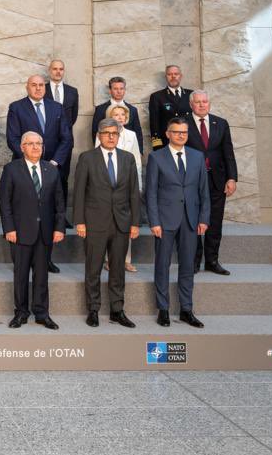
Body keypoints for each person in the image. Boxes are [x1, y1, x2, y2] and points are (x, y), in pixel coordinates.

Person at [74, 118, 141, 328]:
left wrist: (135, 223)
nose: (111, 137)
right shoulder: (87, 158)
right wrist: (79, 222)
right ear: (99, 136)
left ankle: (117, 310)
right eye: (107, 133)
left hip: (121, 222)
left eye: (114, 133)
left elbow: (133, 193)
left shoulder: (128, 158)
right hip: (94, 222)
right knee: (93, 268)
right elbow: (79, 193)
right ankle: (93, 309)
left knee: (118, 268)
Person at [147, 117, 210, 328]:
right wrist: (154, 221)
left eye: (184, 132)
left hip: (191, 220)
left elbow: (204, 191)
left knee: (187, 267)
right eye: (176, 132)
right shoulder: (156, 158)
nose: (181, 135)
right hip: (164, 221)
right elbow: (151, 193)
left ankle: (186, 309)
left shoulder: (197, 157)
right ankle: (163, 309)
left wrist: (204, 218)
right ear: (168, 134)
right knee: (162, 265)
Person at [6, 74, 72, 273]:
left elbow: (66, 139)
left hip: (51, 171)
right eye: (33, 85)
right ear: (27, 87)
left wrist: (53, 163)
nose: (38, 88)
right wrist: (30, 160)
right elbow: (13, 138)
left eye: (41, 85)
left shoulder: (57, 108)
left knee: (47, 214)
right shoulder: (16, 107)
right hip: (24, 169)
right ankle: (21, 259)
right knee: (23, 213)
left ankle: (46, 260)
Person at [0, 131, 64, 330]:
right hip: (20, 232)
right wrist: (9, 228)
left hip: (45, 232)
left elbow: (59, 202)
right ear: (22, 147)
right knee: (20, 275)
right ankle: (21, 313)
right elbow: (4, 202)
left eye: (39, 144)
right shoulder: (11, 169)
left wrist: (59, 228)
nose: (36, 147)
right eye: (31, 144)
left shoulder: (51, 170)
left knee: (42, 275)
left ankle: (42, 313)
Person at [186, 90, 236, 276]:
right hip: (191, 181)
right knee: (194, 221)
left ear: (209, 103)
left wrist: (232, 178)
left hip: (217, 181)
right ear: (191, 104)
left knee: (215, 222)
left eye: (205, 101)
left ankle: (212, 261)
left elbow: (228, 153)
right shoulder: (183, 123)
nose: (201, 105)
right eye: (197, 102)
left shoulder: (220, 123)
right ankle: (194, 261)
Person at [95, 102, 142, 273]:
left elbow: (136, 161)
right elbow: (97, 161)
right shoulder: (101, 134)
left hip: (125, 187)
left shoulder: (132, 135)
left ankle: (126, 260)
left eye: (122, 115)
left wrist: (139, 187)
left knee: (125, 224)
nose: (120, 118)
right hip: (107, 188)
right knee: (108, 224)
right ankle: (108, 259)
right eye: (116, 115)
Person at [42, 59, 78, 209]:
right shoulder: (41, 89)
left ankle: (61, 215)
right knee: (44, 178)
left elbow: (73, 116)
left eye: (61, 69)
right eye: (55, 69)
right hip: (45, 142)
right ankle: (45, 212)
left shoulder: (72, 91)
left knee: (63, 178)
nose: (58, 72)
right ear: (49, 71)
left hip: (65, 143)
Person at [91, 76, 144, 151]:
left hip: (128, 150)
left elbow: (138, 132)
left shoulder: (132, 110)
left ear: (124, 90)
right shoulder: (100, 109)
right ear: (110, 90)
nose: (119, 91)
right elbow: (95, 132)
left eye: (121, 88)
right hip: (107, 150)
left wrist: (140, 151)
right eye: (115, 89)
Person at [147, 64, 192, 151]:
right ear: (166, 77)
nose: (173, 76)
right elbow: (154, 123)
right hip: (167, 142)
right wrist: (158, 146)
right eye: (169, 74)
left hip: (190, 141)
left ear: (181, 76)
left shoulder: (191, 94)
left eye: (176, 74)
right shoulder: (157, 96)